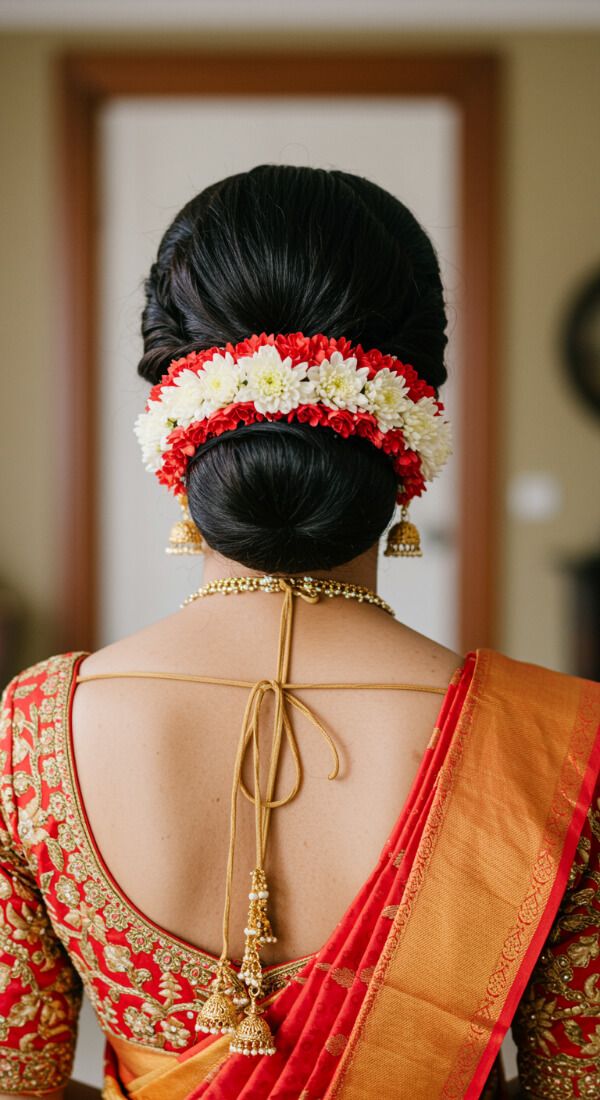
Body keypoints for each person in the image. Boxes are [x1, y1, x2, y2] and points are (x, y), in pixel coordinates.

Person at [1, 165, 599, 1100]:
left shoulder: (33, 731)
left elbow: (17, 1081)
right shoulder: (561, 742)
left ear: (171, 407)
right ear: (415, 415)